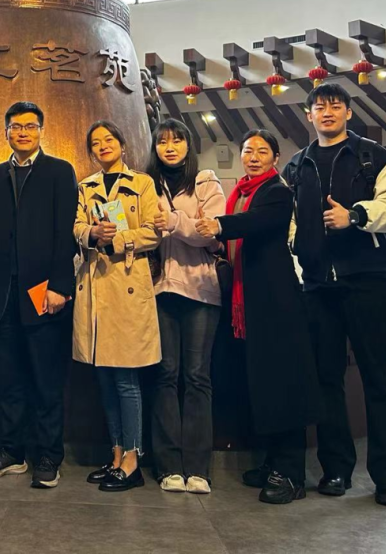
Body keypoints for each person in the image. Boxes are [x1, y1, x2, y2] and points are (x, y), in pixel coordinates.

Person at [282, 82, 386, 507]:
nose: (327, 112)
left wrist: (354, 215)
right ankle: (336, 469)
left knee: (378, 380)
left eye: (335, 106)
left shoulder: (374, 157)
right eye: (319, 107)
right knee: (326, 380)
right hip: (319, 285)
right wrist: (298, 241)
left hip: (367, 280)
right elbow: (291, 219)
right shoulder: (296, 165)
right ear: (309, 115)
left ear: (349, 113)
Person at [196, 129, 318, 505]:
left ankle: (291, 473)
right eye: (248, 151)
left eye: (261, 151)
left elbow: (258, 223)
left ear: (275, 158)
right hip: (250, 303)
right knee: (263, 386)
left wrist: (220, 225)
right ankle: (271, 463)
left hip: (276, 303)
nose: (253, 157)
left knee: (284, 386)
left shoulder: (276, 192)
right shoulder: (241, 193)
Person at [0, 101, 78, 489]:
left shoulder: (60, 171)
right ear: (6, 132)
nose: (22, 133)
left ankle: (49, 456)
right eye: (16, 127)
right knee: (9, 380)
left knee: (46, 381)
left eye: (30, 127)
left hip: (43, 291)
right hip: (3, 293)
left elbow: (66, 233)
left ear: (41, 131)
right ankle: (11, 452)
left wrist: (60, 286)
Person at [72, 121, 161, 492]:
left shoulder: (142, 183)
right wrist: (92, 234)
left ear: (122, 145)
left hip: (126, 283)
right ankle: (115, 454)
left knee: (126, 379)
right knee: (105, 379)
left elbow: (153, 232)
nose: (103, 146)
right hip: (95, 287)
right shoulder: (86, 186)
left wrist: (117, 239)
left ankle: (133, 459)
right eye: (96, 143)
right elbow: (76, 226)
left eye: (109, 140)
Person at [145, 117, 226, 495]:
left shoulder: (206, 182)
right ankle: (168, 467)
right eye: (162, 142)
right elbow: (142, 229)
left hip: (200, 291)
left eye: (177, 140)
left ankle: (198, 468)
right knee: (165, 375)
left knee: (197, 377)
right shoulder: (146, 184)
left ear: (188, 145)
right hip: (158, 290)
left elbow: (211, 233)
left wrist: (173, 222)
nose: (170, 147)